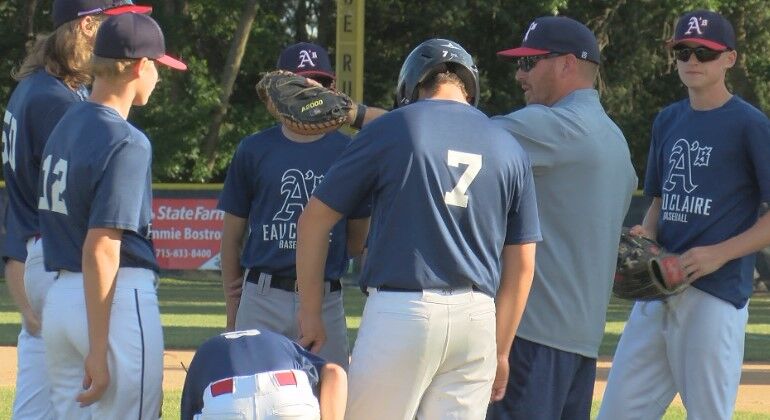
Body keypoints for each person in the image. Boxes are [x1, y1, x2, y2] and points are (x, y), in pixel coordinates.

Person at [295, 38, 541, 420]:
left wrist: (311, 314)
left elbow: (314, 220)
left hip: (403, 309)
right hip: (477, 319)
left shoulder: (394, 128)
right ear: (470, 86)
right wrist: (502, 350)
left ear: (411, 85)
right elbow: (523, 265)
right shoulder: (508, 146)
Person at [598, 10, 770, 420]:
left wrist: (719, 253)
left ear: (729, 59)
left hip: (715, 293)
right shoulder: (668, 119)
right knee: (617, 412)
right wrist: (647, 233)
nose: (692, 60)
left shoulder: (750, 125)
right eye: (683, 51)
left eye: (705, 53)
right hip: (660, 286)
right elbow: (657, 201)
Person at [1, 1, 151, 418]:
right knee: (105, 403)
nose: (116, 33)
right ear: (88, 26)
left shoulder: (32, 87)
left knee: (38, 409)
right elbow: (82, 204)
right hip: (63, 260)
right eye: (111, 21)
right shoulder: (59, 102)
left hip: (37, 257)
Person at [486, 16, 637, 420]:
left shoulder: (557, 126)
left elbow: (449, 132)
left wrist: (356, 114)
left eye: (529, 62)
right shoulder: (616, 142)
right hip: (582, 346)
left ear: (567, 63)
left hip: (531, 338)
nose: (520, 73)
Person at [38, 13, 186, 419]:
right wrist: (99, 350)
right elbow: (102, 247)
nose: (157, 75)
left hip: (61, 301)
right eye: (156, 65)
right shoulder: (126, 140)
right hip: (112, 302)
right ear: (140, 66)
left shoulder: (65, 122)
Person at [218, 41, 371, 370]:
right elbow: (231, 238)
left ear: (333, 88)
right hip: (262, 295)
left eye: (321, 82)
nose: (310, 90)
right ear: (279, 91)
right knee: (253, 399)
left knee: (328, 399)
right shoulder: (254, 149)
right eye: (299, 82)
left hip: (327, 298)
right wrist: (234, 308)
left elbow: (359, 239)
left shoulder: (350, 151)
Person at [181, 329, 347, 420]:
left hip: (224, 399)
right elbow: (335, 373)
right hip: (285, 393)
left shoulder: (205, 353)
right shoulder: (285, 344)